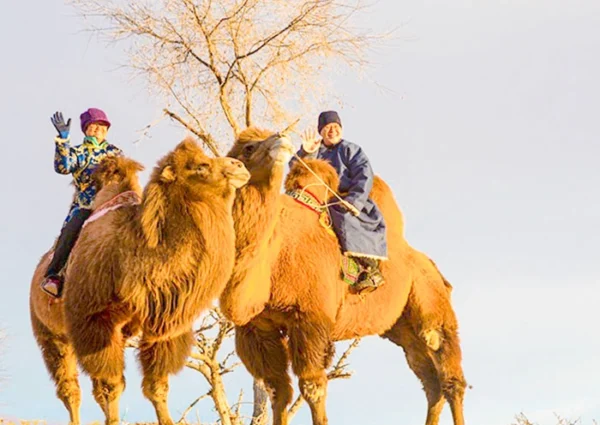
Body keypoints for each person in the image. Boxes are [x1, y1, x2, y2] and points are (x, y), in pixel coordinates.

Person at [292, 110, 387, 293]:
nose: (332, 130)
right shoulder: (315, 151)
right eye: (327, 127)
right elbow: (296, 170)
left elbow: (364, 174)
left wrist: (354, 200)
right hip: (319, 199)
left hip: (346, 199)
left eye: (335, 126)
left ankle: (370, 269)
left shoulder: (351, 150)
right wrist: (306, 153)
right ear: (321, 131)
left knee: (343, 216)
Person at [41, 108, 122, 298]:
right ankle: (54, 276)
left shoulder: (115, 152)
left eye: (102, 126)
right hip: (87, 205)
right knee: (71, 229)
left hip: (113, 202)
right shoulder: (79, 152)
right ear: (86, 130)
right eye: (94, 126)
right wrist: (63, 141)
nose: (98, 129)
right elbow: (63, 167)